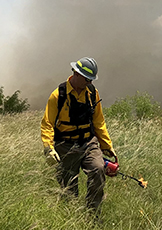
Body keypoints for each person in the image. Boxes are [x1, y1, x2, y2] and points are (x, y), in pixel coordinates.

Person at [41, 57, 117, 214]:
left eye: (91, 80)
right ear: (76, 73)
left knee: (97, 170)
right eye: (87, 79)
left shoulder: (92, 93)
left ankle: (93, 214)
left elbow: (99, 122)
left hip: (89, 143)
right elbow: (47, 123)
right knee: (69, 186)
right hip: (65, 146)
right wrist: (48, 148)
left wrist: (107, 146)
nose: (89, 83)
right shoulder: (58, 96)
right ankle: (72, 218)